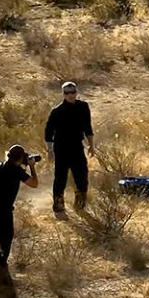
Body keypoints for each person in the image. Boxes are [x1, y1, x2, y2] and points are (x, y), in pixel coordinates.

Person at [44, 81, 94, 217]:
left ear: (76, 93)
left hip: (77, 147)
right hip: (61, 149)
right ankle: (59, 207)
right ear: (63, 94)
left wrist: (91, 145)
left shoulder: (83, 107)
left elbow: (88, 127)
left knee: (82, 176)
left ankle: (80, 205)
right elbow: (48, 132)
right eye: (67, 93)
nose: (70, 95)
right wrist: (49, 151)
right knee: (60, 178)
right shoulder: (57, 111)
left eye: (73, 92)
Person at [0, 143, 38, 260]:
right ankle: (0, 267)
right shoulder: (17, 171)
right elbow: (34, 184)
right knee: (5, 240)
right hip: (4, 212)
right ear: (20, 158)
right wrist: (32, 166)